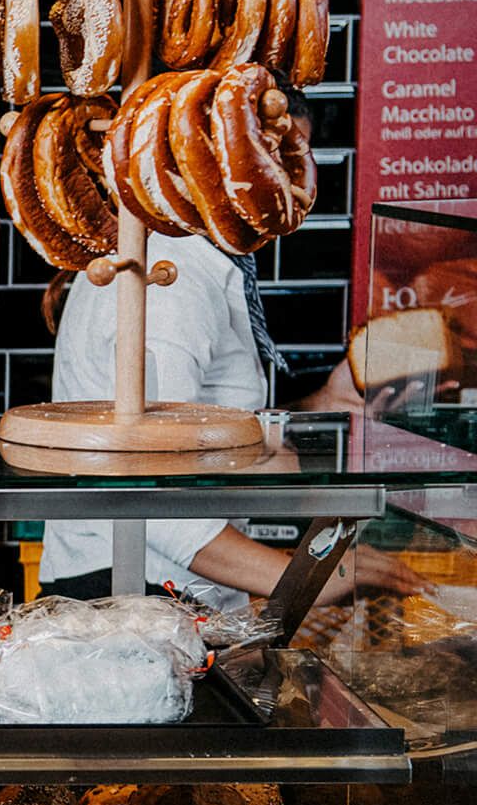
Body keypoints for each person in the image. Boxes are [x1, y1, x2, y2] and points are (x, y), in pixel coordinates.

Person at [36, 220, 427, 608]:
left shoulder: (171, 261)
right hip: (133, 595)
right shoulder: (169, 285)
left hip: (147, 589)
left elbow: (187, 430)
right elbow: (147, 495)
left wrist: (320, 404)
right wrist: (307, 578)